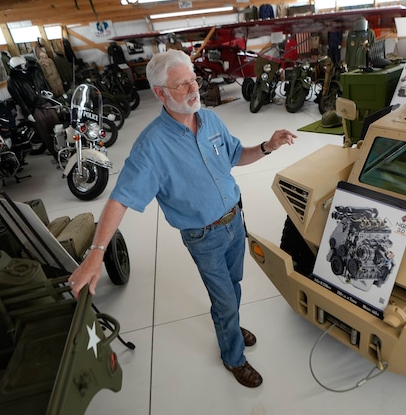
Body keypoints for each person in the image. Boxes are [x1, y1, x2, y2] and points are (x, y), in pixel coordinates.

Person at [68, 49, 297, 388]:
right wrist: (96, 252)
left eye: (193, 80)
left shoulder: (210, 120)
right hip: (204, 237)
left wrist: (267, 146)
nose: (193, 90)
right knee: (223, 297)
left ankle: (228, 323)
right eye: (182, 85)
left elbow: (236, 156)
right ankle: (233, 356)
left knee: (233, 287)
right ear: (160, 93)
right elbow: (121, 198)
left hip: (236, 221)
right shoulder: (151, 147)